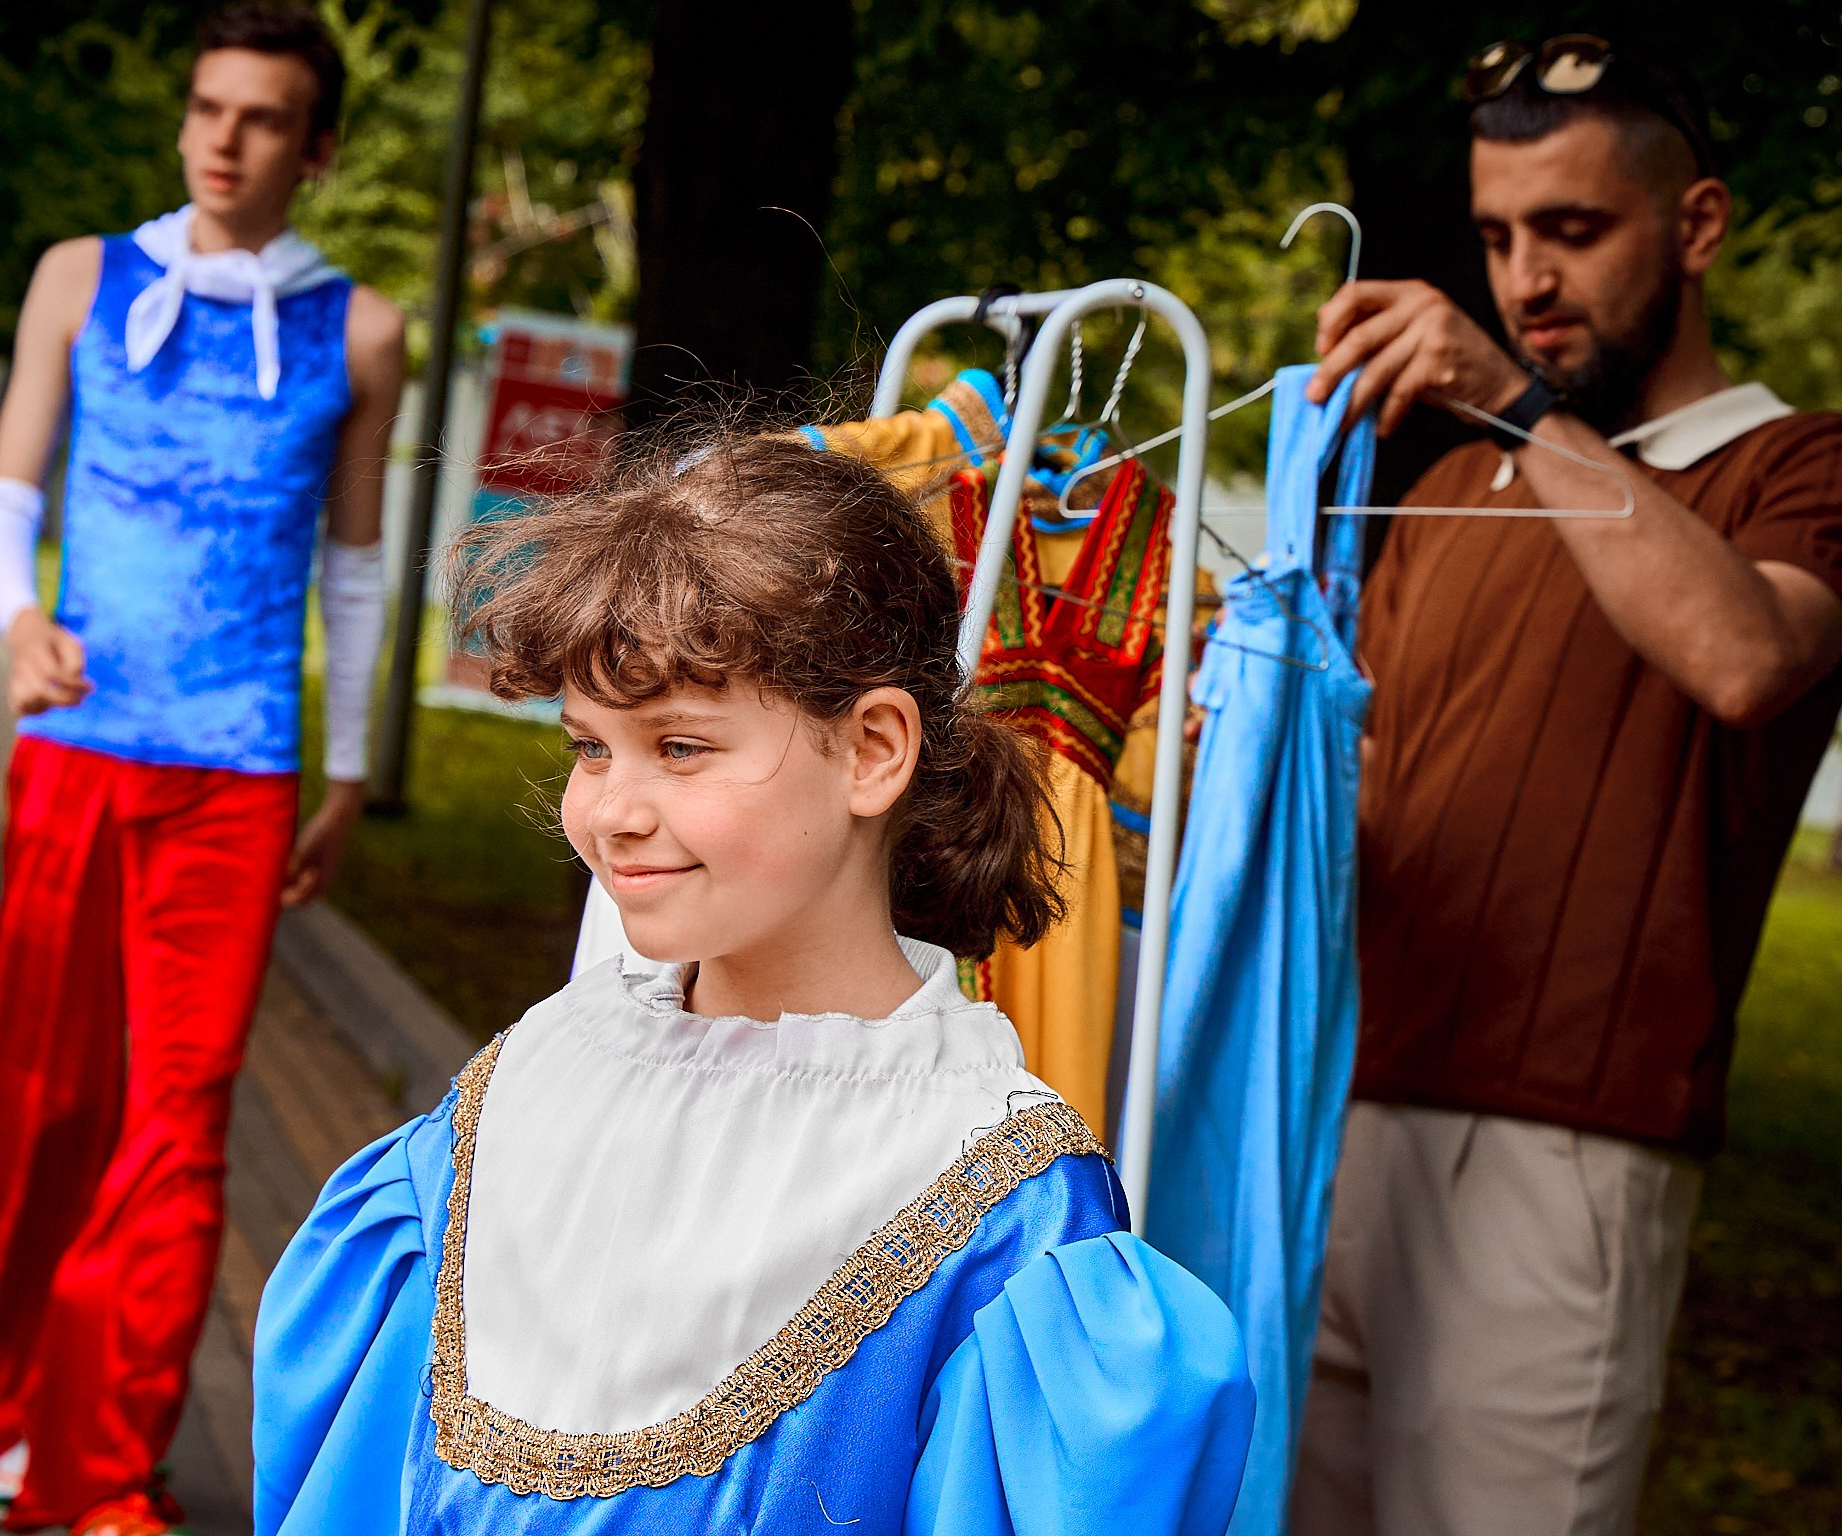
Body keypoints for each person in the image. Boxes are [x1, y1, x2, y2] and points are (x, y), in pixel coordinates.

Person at [250, 432, 1256, 1536]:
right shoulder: (529, 1079)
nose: (612, 809)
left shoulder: (991, 1197)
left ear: (872, 750)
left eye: (679, 746)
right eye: (591, 747)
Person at [1290, 38, 1842, 1536]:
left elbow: (1745, 656)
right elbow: (1369, 786)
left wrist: (1511, 405)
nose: (1526, 280)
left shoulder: (1808, 464)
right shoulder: (1434, 494)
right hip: (1336, 1112)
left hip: (1571, 1149)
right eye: (1500, 239)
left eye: (1573, 231)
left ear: (1696, 227)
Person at [0, 5, 405, 1532]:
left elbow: (353, 570)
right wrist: (16, 626)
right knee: (42, 1098)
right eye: (207, 107)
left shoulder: (367, 331)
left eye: (262, 117)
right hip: (78, 750)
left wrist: (345, 777)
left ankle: (101, 1474)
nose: (222, 138)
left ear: (315, 148)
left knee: (181, 1118)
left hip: (238, 775)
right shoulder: (83, 276)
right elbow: (9, 494)